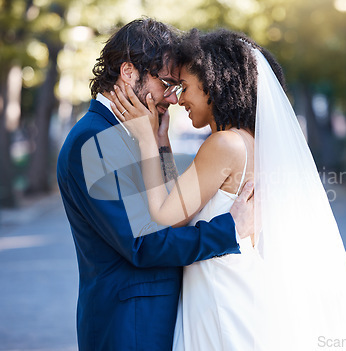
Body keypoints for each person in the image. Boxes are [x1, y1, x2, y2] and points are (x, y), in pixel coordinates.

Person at [111, 28, 346, 350]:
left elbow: (165, 217)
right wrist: (163, 141)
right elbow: (180, 207)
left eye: (185, 87)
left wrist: (144, 139)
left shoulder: (224, 144)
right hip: (234, 285)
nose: (179, 100)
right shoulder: (251, 143)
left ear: (214, 84)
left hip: (221, 295)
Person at [56, 19, 254, 351]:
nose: (173, 98)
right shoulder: (95, 139)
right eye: (166, 83)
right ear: (129, 72)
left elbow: (166, 207)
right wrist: (229, 230)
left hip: (159, 320)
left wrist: (159, 143)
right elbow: (144, 244)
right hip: (131, 326)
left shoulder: (133, 131)